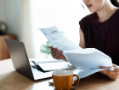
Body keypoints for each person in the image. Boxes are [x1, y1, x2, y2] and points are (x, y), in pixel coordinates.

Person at [50, 0, 119, 80]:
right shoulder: (85, 23)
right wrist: (64, 56)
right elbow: (82, 59)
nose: (85, 1)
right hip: (91, 82)